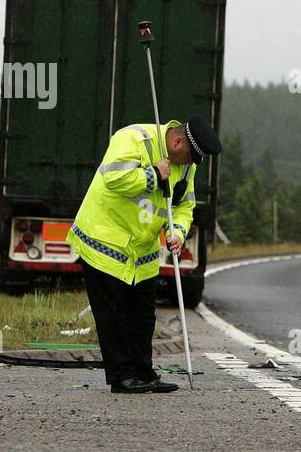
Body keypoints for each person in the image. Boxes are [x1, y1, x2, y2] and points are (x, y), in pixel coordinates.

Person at [67, 115, 221, 393]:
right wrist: (153, 174)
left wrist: (177, 231)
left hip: (144, 250)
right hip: (106, 240)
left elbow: (184, 205)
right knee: (112, 314)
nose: (189, 165)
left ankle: (144, 372)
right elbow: (114, 178)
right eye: (188, 157)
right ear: (176, 142)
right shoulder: (133, 138)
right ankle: (122, 377)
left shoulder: (187, 167)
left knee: (142, 315)